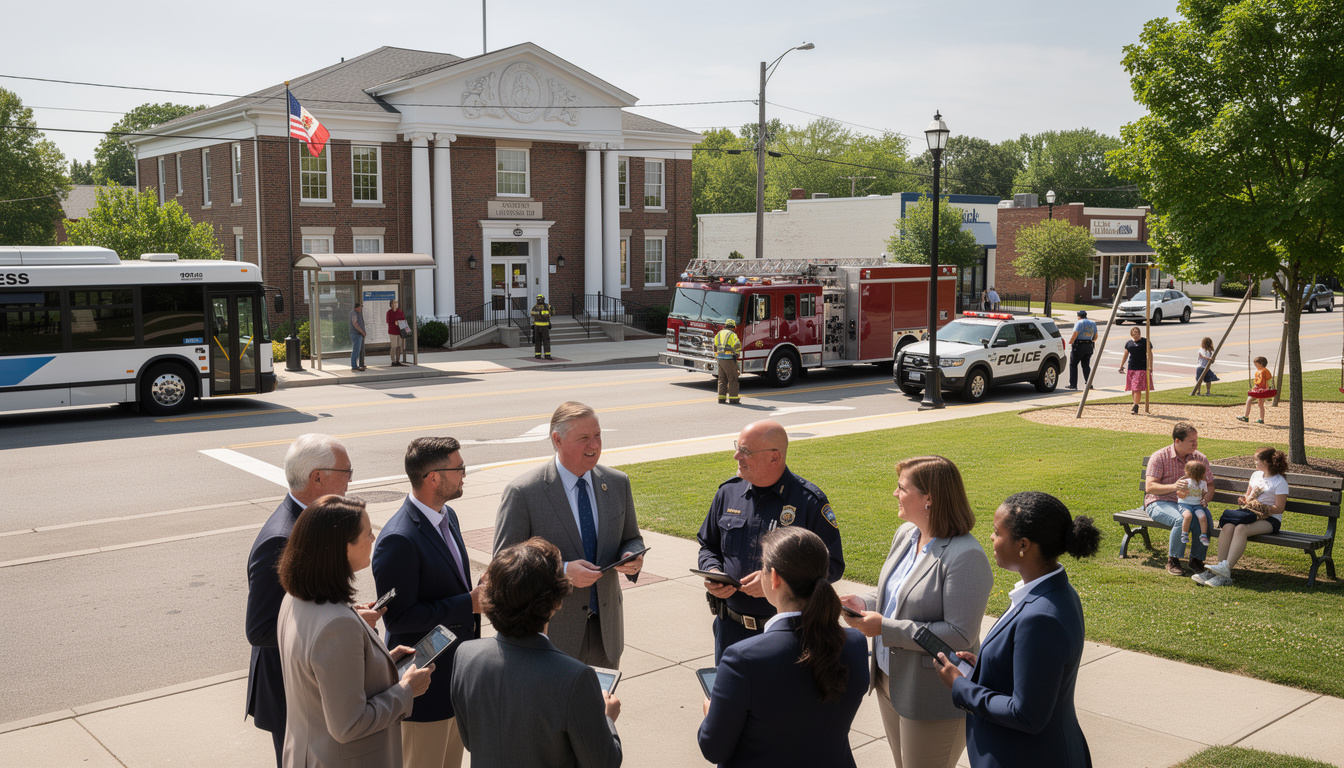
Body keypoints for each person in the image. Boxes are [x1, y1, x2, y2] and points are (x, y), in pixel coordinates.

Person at [840, 456, 993, 768]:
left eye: (901, 488)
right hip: (890, 681)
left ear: (929, 499)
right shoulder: (906, 535)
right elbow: (898, 595)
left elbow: (960, 635)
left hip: (932, 696)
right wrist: (866, 604)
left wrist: (885, 628)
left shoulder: (966, 556)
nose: (894, 493)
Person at [936, 491, 1100, 768]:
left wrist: (961, 686)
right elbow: (1036, 672)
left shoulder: (1041, 617)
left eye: (997, 532)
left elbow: (1027, 715)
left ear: (1023, 545)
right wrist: (986, 667)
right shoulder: (1055, 591)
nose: (991, 538)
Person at [276, 495, 434, 768]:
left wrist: (383, 665)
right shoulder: (338, 625)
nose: (373, 538)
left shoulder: (294, 597)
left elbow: (322, 682)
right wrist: (406, 690)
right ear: (341, 548)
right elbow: (348, 725)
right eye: (367, 533)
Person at [699, 527, 868, 768]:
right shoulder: (854, 643)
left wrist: (711, 712)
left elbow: (714, 748)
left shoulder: (742, 660)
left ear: (774, 577)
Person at [494, 402, 645, 668]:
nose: (594, 445)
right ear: (557, 440)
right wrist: (561, 571)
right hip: (551, 638)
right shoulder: (523, 492)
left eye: (597, 435)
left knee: (602, 709)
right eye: (584, 438)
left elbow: (631, 537)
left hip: (606, 636)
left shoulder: (617, 482)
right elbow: (503, 567)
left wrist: (631, 554)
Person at [451, 537, 623, 768]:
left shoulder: (465, 656)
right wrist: (606, 719)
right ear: (556, 602)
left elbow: (472, 741)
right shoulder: (575, 678)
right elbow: (604, 762)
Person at [371, 437, 484, 768]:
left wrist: (476, 591)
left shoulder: (448, 516)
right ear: (434, 477)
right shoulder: (398, 539)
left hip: (455, 681)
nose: (465, 473)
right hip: (424, 690)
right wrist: (469, 603)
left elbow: (449, 587)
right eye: (459, 467)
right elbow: (398, 618)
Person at [245, 434, 354, 767]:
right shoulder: (282, 538)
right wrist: (331, 629)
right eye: (346, 472)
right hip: (290, 692)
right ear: (317, 478)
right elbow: (261, 629)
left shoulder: (311, 522)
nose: (351, 481)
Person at [697, 419, 844, 661]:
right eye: (737, 447)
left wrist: (779, 583)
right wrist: (712, 571)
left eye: (745, 451)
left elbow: (833, 566)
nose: (736, 456)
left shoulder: (808, 502)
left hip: (788, 636)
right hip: (730, 631)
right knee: (726, 698)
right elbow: (708, 545)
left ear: (774, 458)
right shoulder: (728, 492)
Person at [1196, 447, 1290, 587]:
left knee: (1241, 529)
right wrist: (1244, 501)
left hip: (1270, 519)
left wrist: (1260, 507)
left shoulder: (1280, 481)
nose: (1254, 462)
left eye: (1256, 460)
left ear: (1266, 462)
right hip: (1250, 514)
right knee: (1227, 526)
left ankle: (1225, 570)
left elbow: (1279, 508)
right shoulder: (1256, 475)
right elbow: (1247, 497)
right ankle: (1220, 569)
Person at [1144, 422, 1216, 576]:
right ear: (1177, 441)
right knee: (1180, 520)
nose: (1196, 444)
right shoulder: (1160, 457)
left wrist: (1205, 500)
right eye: (1192, 441)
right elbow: (1150, 487)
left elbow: (1210, 485)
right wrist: (1175, 487)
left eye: (1196, 440)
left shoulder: (1199, 458)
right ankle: (1173, 559)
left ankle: (1196, 560)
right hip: (1160, 501)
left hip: (1191, 504)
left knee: (1204, 517)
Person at [1177, 460, 1211, 550]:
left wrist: (1204, 501)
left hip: (1197, 505)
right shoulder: (1185, 482)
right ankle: (1184, 534)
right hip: (1184, 504)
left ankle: (1203, 536)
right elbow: (1179, 494)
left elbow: (1203, 494)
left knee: (1203, 516)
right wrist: (1183, 494)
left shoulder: (1202, 483)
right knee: (1188, 516)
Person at [1117, 326, 1151, 414]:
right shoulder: (1129, 343)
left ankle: (1136, 405)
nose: (1135, 338)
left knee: (1137, 388)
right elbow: (1125, 355)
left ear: (1140, 334)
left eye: (1137, 336)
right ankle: (1135, 404)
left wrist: (1150, 366)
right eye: (1134, 336)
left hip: (1142, 367)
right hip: (1132, 367)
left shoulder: (1145, 342)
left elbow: (1150, 354)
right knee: (1133, 388)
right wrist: (1121, 366)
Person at [1066, 310, 1097, 390]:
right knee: (1086, 365)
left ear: (1079, 316)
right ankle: (1089, 384)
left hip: (1079, 345)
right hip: (1089, 345)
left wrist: (1071, 341)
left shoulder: (1079, 323)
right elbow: (1096, 335)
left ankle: (1073, 384)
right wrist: (1091, 341)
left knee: (1073, 365)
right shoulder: (1093, 323)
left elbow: (1075, 333)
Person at [713, 319, 742, 405]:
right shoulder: (732, 334)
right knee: (733, 378)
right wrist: (736, 354)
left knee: (722, 379)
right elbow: (737, 346)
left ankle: (721, 398)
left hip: (720, 359)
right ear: (732, 327)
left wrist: (717, 356)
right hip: (728, 359)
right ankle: (734, 399)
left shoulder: (719, 334)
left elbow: (714, 345)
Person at [1237, 356, 1272, 423]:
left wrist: (1256, 387)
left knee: (1249, 400)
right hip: (1264, 389)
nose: (1255, 366)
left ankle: (1246, 416)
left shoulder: (1261, 372)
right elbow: (1267, 380)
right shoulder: (1264, 371)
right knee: (1260, 404)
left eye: (1256, 364)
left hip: (1260, 390)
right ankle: (1261, 419)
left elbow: (1261, 381)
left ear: (1261, 363)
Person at [531, 293, 553, 360]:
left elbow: (532, 314)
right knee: (546, 341)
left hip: (538, 327)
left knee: (538, 341)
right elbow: (552, 313)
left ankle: (538, 355)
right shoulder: (547, 306)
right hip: (543, 327)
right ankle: (547, 355)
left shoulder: (535, 307)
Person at [387, 299, 407, 367]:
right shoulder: (389, 312)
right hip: (392, 331)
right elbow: (388, 321)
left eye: (396, 303)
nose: (395, 304)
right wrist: (395, 322)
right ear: (391, 305)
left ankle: (398, 360)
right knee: (393, 346)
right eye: (393, 303)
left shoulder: (400, 312)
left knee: (399, 346)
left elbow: (403, 320)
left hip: (399, 331)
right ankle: (393, 360)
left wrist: (400, 323)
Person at [349, 301, 367, 371]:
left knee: (360, 350)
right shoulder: (353, 313)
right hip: (356, 334)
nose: (360, 309)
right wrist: (362, 331)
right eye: (359, 308)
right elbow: (355, 323)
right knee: (356, 350)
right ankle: (354, 366)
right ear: (356, 307)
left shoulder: (358, 313)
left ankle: (361, 364)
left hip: (360, 334)